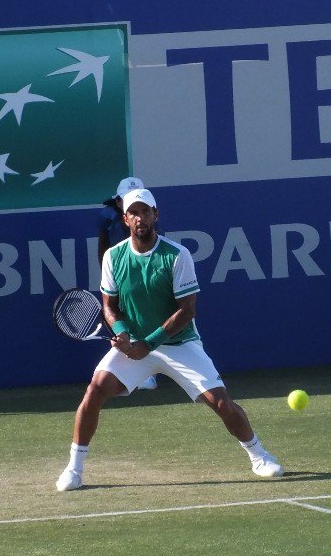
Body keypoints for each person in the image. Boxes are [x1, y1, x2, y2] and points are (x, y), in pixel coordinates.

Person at [56, 187, 284, 491]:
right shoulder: (113, 257)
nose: (140, 218)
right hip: (135, 343)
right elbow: (109, 306)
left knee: (220, 402)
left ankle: (259, 456)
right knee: (95, 389)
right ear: (125, 219)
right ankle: (74, 469)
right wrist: (123, 333)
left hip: (179, 343)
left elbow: (186, 311)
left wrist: (146, 344)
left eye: (145, 212)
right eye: (133, 213)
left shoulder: (176, 255)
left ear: (155, 215)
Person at [100, 176, 157, 391]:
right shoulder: (109, 221)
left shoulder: (149, 227)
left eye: (144, 209)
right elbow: (103, 246)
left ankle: (150, 369)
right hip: (119, 275)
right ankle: (136, 372)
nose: (139, 215)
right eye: (129, 202)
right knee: (122, 321)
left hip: (145, 277)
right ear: (119, 204)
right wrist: (107, 276)